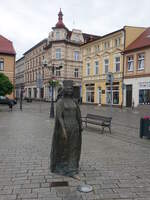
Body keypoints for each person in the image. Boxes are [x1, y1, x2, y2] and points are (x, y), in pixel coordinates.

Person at [50, 80, 82, 180]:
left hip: (75, 128)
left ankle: (72, 168)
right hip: (65, 128)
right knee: (65, 150)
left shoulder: (74, 101)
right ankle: (66, 168)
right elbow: (59, 117)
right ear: (64, 89)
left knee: (74, 148)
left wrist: (80, 125)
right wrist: (63, 130)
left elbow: (78, 115)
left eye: (71, 88)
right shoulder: (60, 102)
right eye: (68, 88)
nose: (70, 90)